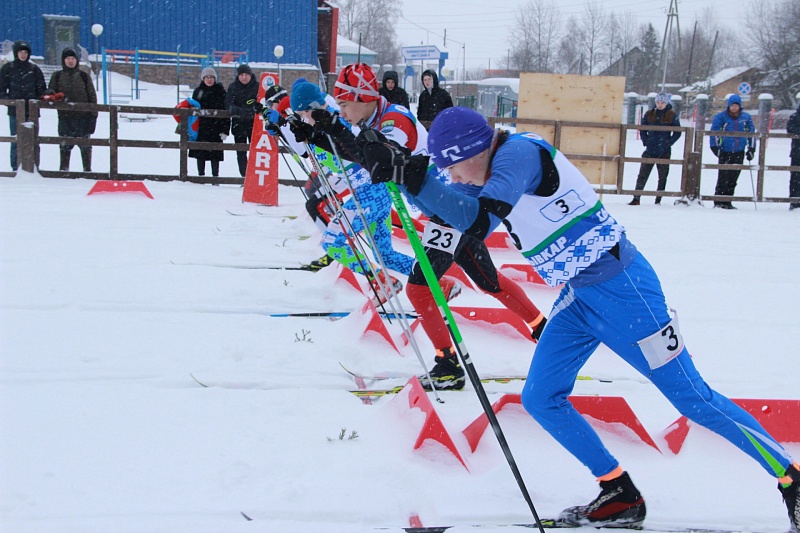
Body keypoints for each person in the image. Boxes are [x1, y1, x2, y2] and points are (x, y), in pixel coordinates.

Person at [357, 106, 800, 529]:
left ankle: (790, 477)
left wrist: (413, 177)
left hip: (626, 293)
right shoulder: (485, 167)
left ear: (473, 153)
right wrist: (391, 166)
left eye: (453, 168)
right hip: (579, 296)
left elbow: (475, 221)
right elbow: (448, 207)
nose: (452, 178)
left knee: (693, 399)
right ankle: (619, 491)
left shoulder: (519, 155)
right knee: (541, 397)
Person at [303, 64, 545, 390]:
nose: (342, 110)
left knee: (418, 288)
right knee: (488, 281)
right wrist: (328, 132)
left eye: (344, 104)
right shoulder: (376, 119)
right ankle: (543, 328)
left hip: (452, 208)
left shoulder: (395, 120)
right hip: (448, 210)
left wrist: (340, 133)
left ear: (362, 98)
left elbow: (383, 158)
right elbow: (366, 155)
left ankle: (447, 365)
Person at [47, 47, 98, 172]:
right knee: (65, 146)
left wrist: (93, 117)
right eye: (68, 58)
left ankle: (87, 171)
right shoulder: (57, 76)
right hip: (65, 118)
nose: (70, 61)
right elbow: (50, 93)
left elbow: (92, 98)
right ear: (63, 60)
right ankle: (64, 172)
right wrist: (51, 94)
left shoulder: (84, 76)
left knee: (85, 147)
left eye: (73, 58)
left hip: (83, 118)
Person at [0, 40, 46, 170]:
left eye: (26, 52)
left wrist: (40, 98)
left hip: (32, 111)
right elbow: (1, 88)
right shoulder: (8, 68)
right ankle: (16, 167)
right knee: (16, 139)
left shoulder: (34, 69)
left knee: (33, 139)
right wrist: (9, 102)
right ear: (16, 53)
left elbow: (41, 88)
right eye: (21, 52)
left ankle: (34, 166)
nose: (23, 54)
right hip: (15, 111)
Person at [629, 92, 681, 205]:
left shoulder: (672, 115)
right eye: (658, 102)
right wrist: (646, 141)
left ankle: (658, 199)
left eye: (662, 102)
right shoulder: (649, 114)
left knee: (662, 176)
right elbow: (642, 129)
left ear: (666, 103)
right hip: (650, 149)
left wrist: (668, 143)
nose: (660, 104)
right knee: (642, 174)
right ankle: (636, 197)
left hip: (664, 151)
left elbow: (678, 132)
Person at [709, 94, 756, 209]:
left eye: (736, 105)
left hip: (739, 151)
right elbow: (714, 132)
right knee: (723, 177)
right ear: (728, 106)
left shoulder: (746, 118)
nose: (734, 108)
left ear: (740, 106)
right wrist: (715, 147)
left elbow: (752, 133)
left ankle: (728, 201)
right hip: (725, 151)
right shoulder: (721, 117)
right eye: (732, 105)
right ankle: (719, 201)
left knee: (733, 178)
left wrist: (751, 148)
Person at [188, 67, 229, 177]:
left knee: (215, 153)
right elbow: (192, 110)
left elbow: (226, 113)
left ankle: (215, 178)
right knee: (200, 152)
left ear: (215, 78)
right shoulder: (198, 91)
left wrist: (225, 130)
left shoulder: (221, 92)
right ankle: (201, 176)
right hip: (201, 127)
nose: (209, 79)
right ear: (203, 78)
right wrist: (191, 128)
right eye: (207, 77)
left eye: (211, 77)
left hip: (217, 128)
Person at [225, 63, 258, 177]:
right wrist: (239, 111)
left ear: (250, 74)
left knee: (256, 152)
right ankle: (244, 177)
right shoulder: (233, 87)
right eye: (241, 74)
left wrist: (250, 111)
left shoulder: (257, 87)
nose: (244, 77)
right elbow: (228, 104)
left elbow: (262, 104)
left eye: (246, 74)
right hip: (238, 125)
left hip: (254, 125)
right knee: (240, 152)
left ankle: (254, 177)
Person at [787, 102, 800, 211]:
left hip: (797, 151)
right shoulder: (795, 116)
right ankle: (795, 201)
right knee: (795, 177)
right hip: (797, 152)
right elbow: (790, 128)